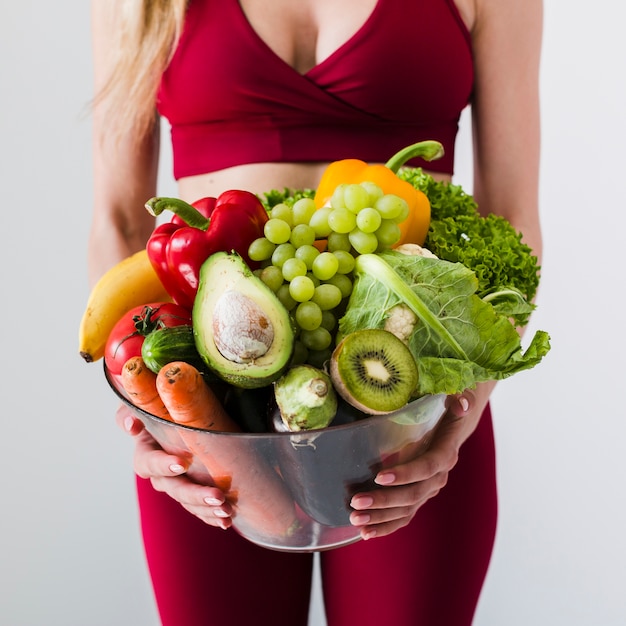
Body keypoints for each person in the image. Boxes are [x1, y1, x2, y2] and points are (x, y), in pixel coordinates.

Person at [89, 0, 543, 624]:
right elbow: (116, 218)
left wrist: (457, 420)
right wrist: (152, 418)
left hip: (408, 394)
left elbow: (512, 218)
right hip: (207, 404)